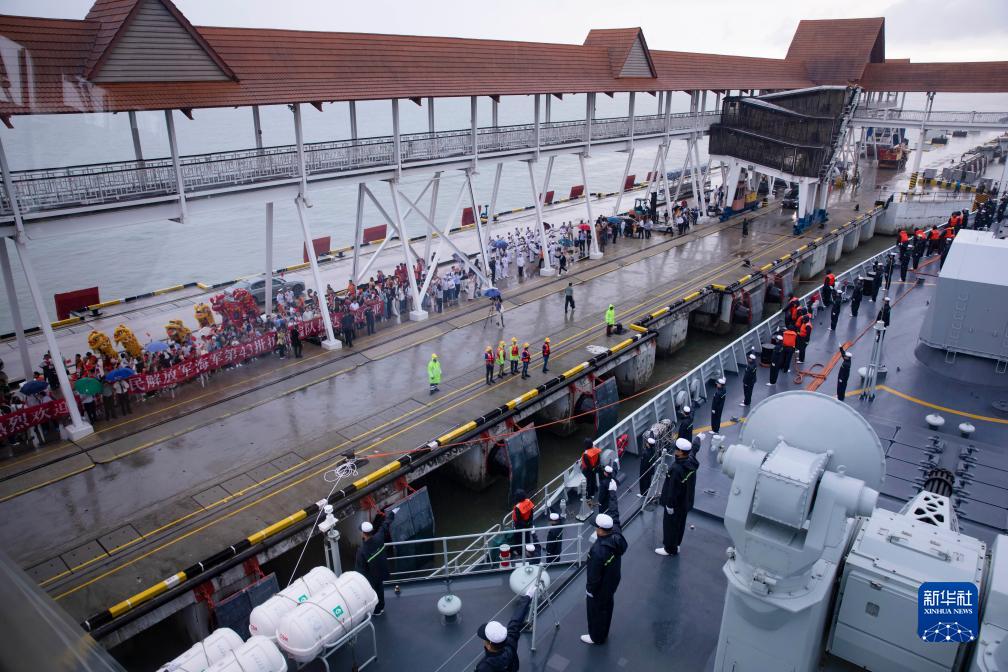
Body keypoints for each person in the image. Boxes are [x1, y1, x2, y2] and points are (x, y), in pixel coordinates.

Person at [582, 501, 627, 645]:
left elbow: (593, 576)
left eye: (597, 527)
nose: (595, 529)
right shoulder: (617, 536)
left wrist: (590, 590)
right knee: (607, 608)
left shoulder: (597, 551)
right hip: (612, 582)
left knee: (596, 611)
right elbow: (615, 515)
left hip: (600, 588)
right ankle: (604, 632)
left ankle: (596, 637)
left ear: (601, 530)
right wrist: (612, 494)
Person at [656, 437, 698, 557]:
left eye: (676, 449)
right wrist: (697, 440)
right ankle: (677, 544)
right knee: (680, 524)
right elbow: (694, 450)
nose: (675, 450)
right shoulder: (691, 462)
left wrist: (670, 505)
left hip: (675, 505)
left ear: (680, 452)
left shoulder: (676, 469)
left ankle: (670, 549)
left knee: (670, 526)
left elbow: (672, 489)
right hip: (685, 502)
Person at [475, 593, 534, 672]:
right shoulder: (510, 643)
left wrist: (527, 596)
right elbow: (516, 620)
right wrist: (528, 597)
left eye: (485, 639)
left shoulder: (483, 667)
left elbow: (515, 621)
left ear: (489, 646)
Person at [355, 509, 396, 615]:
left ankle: (376, 610)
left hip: (372, 577)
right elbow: (385, 526)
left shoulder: (362, 551)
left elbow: (360, 569)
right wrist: (392, 514)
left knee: (373, 592)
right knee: (380, 589)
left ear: (363, 534)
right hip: (382, 572)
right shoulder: (379, 537)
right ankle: (381, 607)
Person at [580, 440, 602, 505]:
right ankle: (592, 494)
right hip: (594, 469)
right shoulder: (596, 451)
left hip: (588, 470)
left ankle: (588, 497)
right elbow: (598, 460)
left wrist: (591, 469)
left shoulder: (586, 455)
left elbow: (587, 464)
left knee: (588, 483)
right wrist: (594, 467)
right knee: (593, 480)